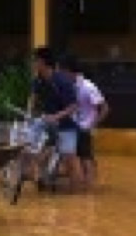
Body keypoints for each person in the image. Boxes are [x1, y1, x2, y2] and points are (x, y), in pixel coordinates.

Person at [28, 46, 83, 189]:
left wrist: (56, 116)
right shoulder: (38, 80)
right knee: (30, 146)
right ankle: (39, 176)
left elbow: (73, 107)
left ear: (42, 62)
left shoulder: (62, 81)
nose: (32, 64)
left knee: (69, 159)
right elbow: (32, 98)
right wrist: (29, 113)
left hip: (66, 124)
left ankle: (77, 196)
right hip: (46, 122)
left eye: (35, 60)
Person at [60, 54, 109, 187]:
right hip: (71, 126)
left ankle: (90, 190)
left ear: (68, 70)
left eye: (61, 71)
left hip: (84, 127)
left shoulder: (88, 87)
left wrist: (92, 125)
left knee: (85, 157)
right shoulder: (67, 86)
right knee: (71, 155)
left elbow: (104, 108)